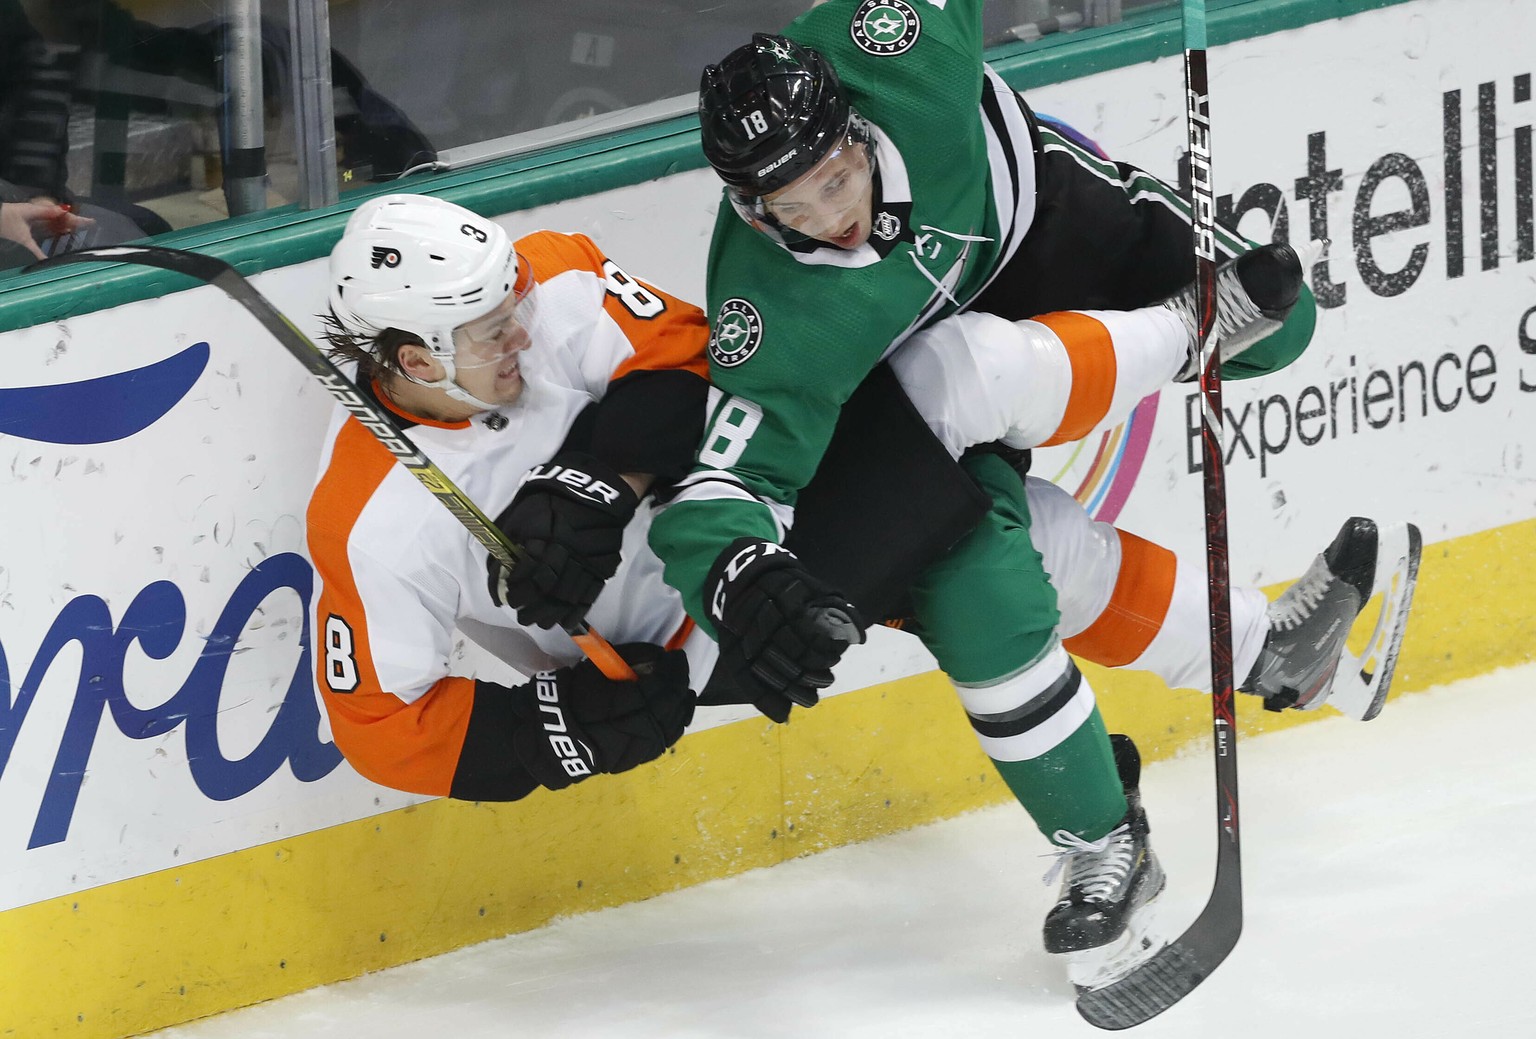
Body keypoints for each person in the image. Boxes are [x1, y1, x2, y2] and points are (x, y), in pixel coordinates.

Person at [648, 9, 1420, 991]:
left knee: (1281, 324)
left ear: (852, 127)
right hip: (927, 366)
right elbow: (724, 483)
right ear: (754, 210)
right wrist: (739, 573)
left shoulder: (898, 43)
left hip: (1048, 227)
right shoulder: (771, 312)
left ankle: (1268, 647)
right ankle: (1108, 844)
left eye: (836, 180)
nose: (829, 217)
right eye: (791, 208)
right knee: (983, 586)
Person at [306, 193, 708, 802]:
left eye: (515, 304)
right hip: (652, 670)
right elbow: (380, 727)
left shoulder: (551, 276)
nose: (524, 332)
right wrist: (556, 729)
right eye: (495, 332)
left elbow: (689, 357)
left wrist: (601, 485)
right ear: (419, 360)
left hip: (750, 546)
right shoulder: (365, 518)